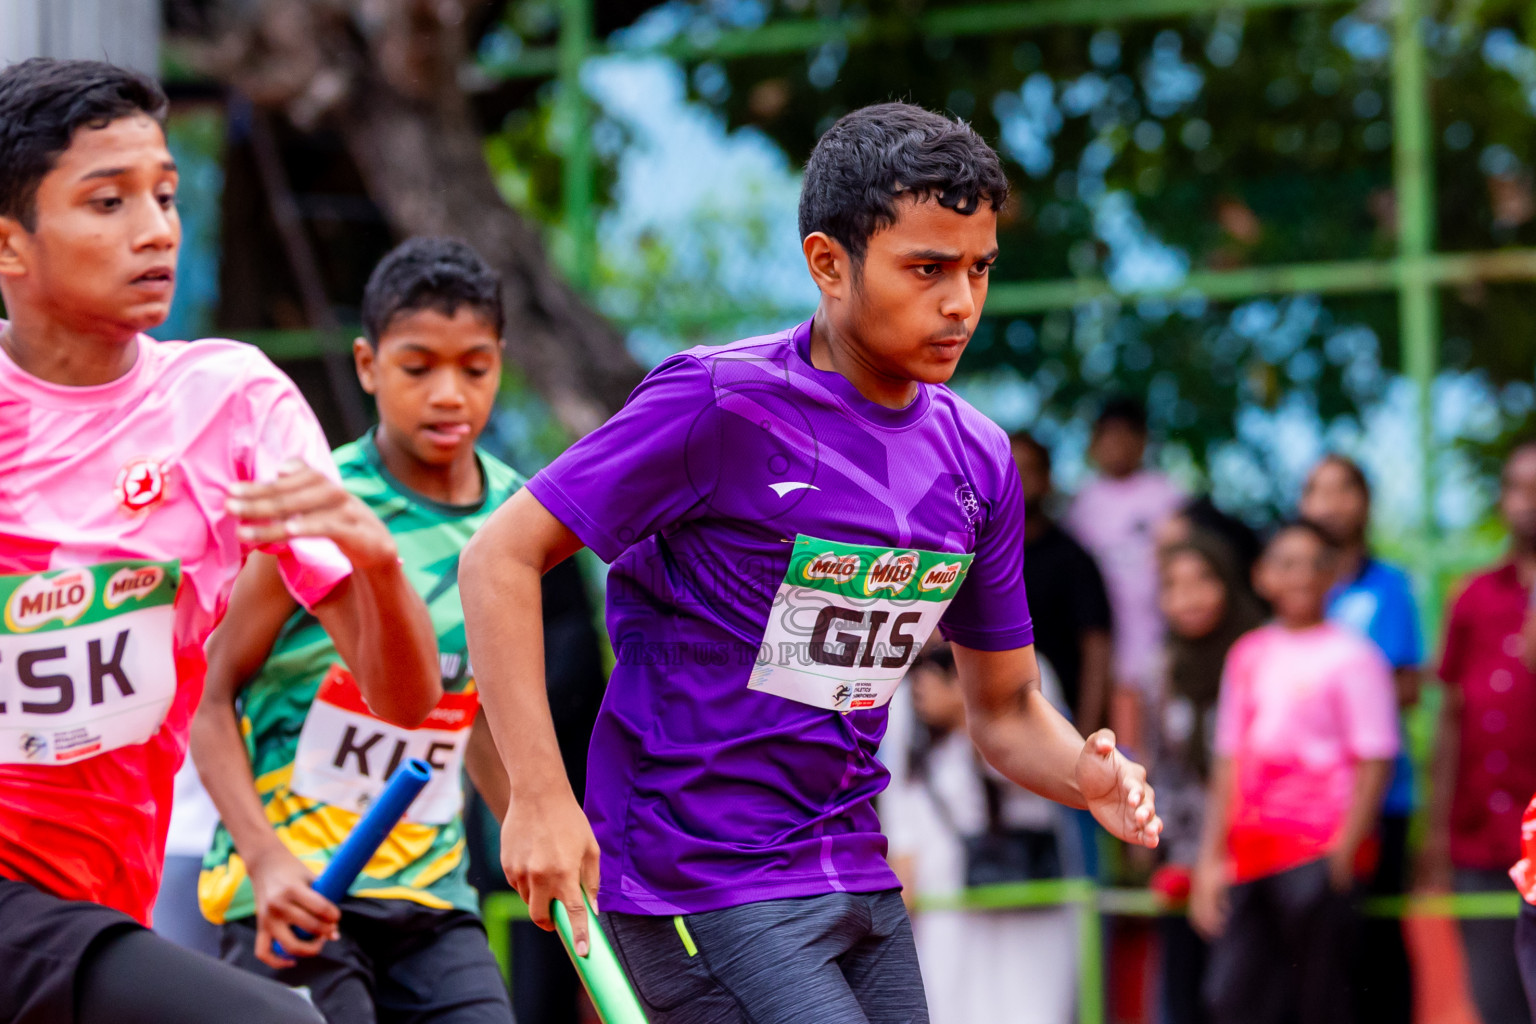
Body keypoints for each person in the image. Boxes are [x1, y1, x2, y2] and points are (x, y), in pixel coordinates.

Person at [459, 102, 1162, 1024]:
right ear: (829, 262)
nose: (962, 302)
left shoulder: (978, 460)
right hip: (696, 875)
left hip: (856, 868)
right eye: (928, 269)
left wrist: (1088, 774)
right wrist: (540, 801)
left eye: (980, 269)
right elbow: (498, 558)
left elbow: (1005, 709)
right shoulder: (720, 405)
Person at [0, 58, 440, 1024]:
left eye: (166, 195)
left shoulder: (230, 400)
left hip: (103, 899)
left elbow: (406, 701)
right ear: (10, 247)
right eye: (107, 202)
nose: (156, 230)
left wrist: (376, 562)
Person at [192, 238, 519, 1024]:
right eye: (418, 368)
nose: (449, 395)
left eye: (474, 368)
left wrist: (535, 834)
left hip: (433, 898)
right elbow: (207, 703)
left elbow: (477, 715)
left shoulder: (516, 519)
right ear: (369, 366)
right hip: (297, 895)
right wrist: (265, 862)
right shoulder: (313, 505)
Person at [1190, 520, 1398, 1024]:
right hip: (1251, 853)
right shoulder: (1248, 654)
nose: (1301, 575)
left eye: (1314, 564)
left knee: (1321, 1000)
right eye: (1286, 563)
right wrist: (1209, 862)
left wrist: (1344, 853)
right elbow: (1229, 759)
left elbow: (1375, 760)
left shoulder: (1356, 656)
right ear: (1262, 577)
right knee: (1235, 998)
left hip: (1319, 852)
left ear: (1333, 576)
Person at [883, 644, 1078, 1024]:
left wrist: (971, 711)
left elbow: (1047, 772)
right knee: (948, 1005)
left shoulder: (1026, 665)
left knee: (1032, 1004)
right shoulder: (905, 693)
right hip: (944, 893)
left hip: (1026, 885)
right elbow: (899, 794)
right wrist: (902, 872)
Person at [1298, 454, 1420, 1024]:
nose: (1331, 503)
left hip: (1379, 798)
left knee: (1377, 937)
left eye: (1344, 489)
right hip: (1304, 802)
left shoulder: (1389, 587)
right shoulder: (1294, 596)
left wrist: (1333, 711)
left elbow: (1406, 684)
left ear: (1366, 502)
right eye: (1317, 490)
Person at [1430, 442, 1536, 1024]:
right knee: (1495, 1002)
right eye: (1521, 487)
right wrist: (1435, 833)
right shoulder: (1472, 595)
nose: (1532, 502)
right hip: (1480, 836)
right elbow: (1450, 717)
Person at [1150, 533, 1265, 1024]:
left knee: (1245, 993)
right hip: (1185, 855)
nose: (1188, 597)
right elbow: (1158, 765)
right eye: (1173, 586)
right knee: (1185, 993)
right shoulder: (1161, 669)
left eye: (1203, 581)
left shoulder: (1260, 656)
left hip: (1254, 855)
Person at [1065, 397, 1184, 746]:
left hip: (1159, 644)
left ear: (1143, 440)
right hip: (1104, 648)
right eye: (1107, 436)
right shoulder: (1083, 504)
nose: (1116, 445)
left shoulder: (1167, 495)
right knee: (1120, 746)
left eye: (1126, 435)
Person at [1011, 430, 1113, 734]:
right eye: (1007, 469)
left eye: (1027, 469)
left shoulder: (1073, 559)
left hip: (1057, 724)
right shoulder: (976, 556)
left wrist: (1085, 735)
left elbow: (1097, 649)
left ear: (1047, 480)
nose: (1017, 479)